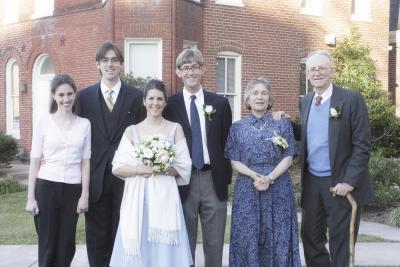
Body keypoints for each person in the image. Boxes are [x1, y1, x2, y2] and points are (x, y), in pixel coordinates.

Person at [298, 50, 374, 267]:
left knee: (340, 243)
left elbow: (362, 144)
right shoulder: (306, 101)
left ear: (332, 70)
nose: (317, 72)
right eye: (312, 69)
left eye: (321, 68)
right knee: (311, 238)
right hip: (313, 181)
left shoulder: (350, 99)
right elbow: (305, 133)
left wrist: (349, 181)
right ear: (307, 75)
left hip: (341, 183)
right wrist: (279, 122)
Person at [109, 79, 193, 267]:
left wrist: (162, 165)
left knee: (162, 249)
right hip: (137, 198)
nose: (155, 103)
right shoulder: (132, 131)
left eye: (160, 99)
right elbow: (117, 167)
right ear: (144, 101)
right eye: (151, 98)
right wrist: (142, 169)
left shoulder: (175, 129)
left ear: (165, 102)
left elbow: (184, 167)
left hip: (165, 198)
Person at [77, 40, 145, 266]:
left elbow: (143, 134)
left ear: (121, 65)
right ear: (98, 64)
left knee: (125, 233)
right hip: (95, 176)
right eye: (105, 60)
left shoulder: (136, 97)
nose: (110, 65)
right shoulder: (84, 97)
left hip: (125, 177)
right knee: (97, 237)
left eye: (114, 60)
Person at [164, 48, 232, 267]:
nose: (190, 71)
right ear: (178, 72)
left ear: (202, 70)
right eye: (185, 67)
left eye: (195, 67)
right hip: (183, 179)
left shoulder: (219, 103)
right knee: (185, 242)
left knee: (214, 243)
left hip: (213, 179)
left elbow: (227, 143)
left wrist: (225, 178)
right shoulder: (169, 105)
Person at [224, 77, 301, 266]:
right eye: (255, 93)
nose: (260, 97)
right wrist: (254, 175)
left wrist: (270, 177)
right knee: (247, 237)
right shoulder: (237, 128)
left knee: (278, 236)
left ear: (270, 98)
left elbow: (289, 156)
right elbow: (234, 160)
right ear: (248, 98)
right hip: (248, 187)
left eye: (264, 93)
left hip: (278, 185)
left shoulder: (282, 123)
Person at [25, 74, 91, 267]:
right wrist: (30, 197)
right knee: (47, 243)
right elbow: (35, 162)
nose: (66, 99)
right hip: (46, 187)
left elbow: (85, 162)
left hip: (72, 189)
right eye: (61, 94)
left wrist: (84, 195)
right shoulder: (43, 122)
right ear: (54, 95)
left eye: (70, 94)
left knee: (66, 244)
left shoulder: (84, 124)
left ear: (75, 94)